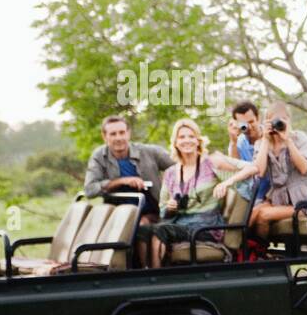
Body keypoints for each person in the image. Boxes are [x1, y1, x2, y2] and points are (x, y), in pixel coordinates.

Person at [139, 118, 260, 268]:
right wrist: (171, 207)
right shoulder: (170, 173)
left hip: (205, 227)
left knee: (160, 230)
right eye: (182, 137)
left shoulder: (211, 163)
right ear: (175, 142)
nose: (187, 140)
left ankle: (156, 280)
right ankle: (144, 273)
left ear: (198, 140)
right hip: (178, 224)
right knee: (142, 231)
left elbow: (253, 168)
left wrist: (226, 182)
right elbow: (163, 210)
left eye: (191, 136)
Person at [83, 114, 175, 266]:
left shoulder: (149, 152)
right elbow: (89, 190)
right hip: (118, 215)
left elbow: (180, 165)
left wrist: (170, 186)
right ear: (104, 136)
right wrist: (121, 181)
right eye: (113, 134)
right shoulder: (99, 156)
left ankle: (145, 272)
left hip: (150, 212)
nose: (119, 138)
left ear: (128, 133)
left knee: (141, 225)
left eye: (122, 132)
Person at [227, 100, 307, 201]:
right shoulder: (240, 142)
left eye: (251, 122)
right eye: (243, 124)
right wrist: (233, 142)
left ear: (259, 119)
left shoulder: (275, 131)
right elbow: (236, 166)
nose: (248, 127)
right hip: (258, 195)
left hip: (278, 192)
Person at [247, 101, 307, 241]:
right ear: (267, 122)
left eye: (282, 120)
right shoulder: (262, 143)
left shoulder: (299, 138)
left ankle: (261, 252)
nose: (278, 124)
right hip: (277, 199)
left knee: (263, 215)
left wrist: (288, 141)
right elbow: (259, 172)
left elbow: (304, 168)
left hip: (302, 203)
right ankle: (243, 253)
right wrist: (266, 140)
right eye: (274, 121)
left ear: (289, 120)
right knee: (253, 212)